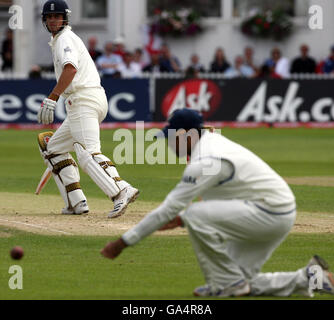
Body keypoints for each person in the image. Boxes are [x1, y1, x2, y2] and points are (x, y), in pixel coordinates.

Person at [101, 108, 334, 297]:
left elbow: (170, 207)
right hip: (273, 211)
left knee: (195, 215)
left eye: (171, 138)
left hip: (269, 212)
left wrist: (123, 242)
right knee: (245, 281)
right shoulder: (210, 145)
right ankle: (312, 278)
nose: (169, 144)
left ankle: (225, 285)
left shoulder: (208, 160)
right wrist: (180, 219)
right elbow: (217, 197)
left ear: (186, 136)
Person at [37, 0, 139, 218]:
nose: (54, 20)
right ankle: (76, 202)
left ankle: (122, 190)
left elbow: (70, 69)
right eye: (50, 17)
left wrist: (53, 97)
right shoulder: (59, 40)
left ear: (65, 18)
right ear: (45, 20)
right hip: (86, 100)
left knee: (87, 153)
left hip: (83, 99)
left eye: (57, 16)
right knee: (52, 149)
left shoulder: (65, 38)